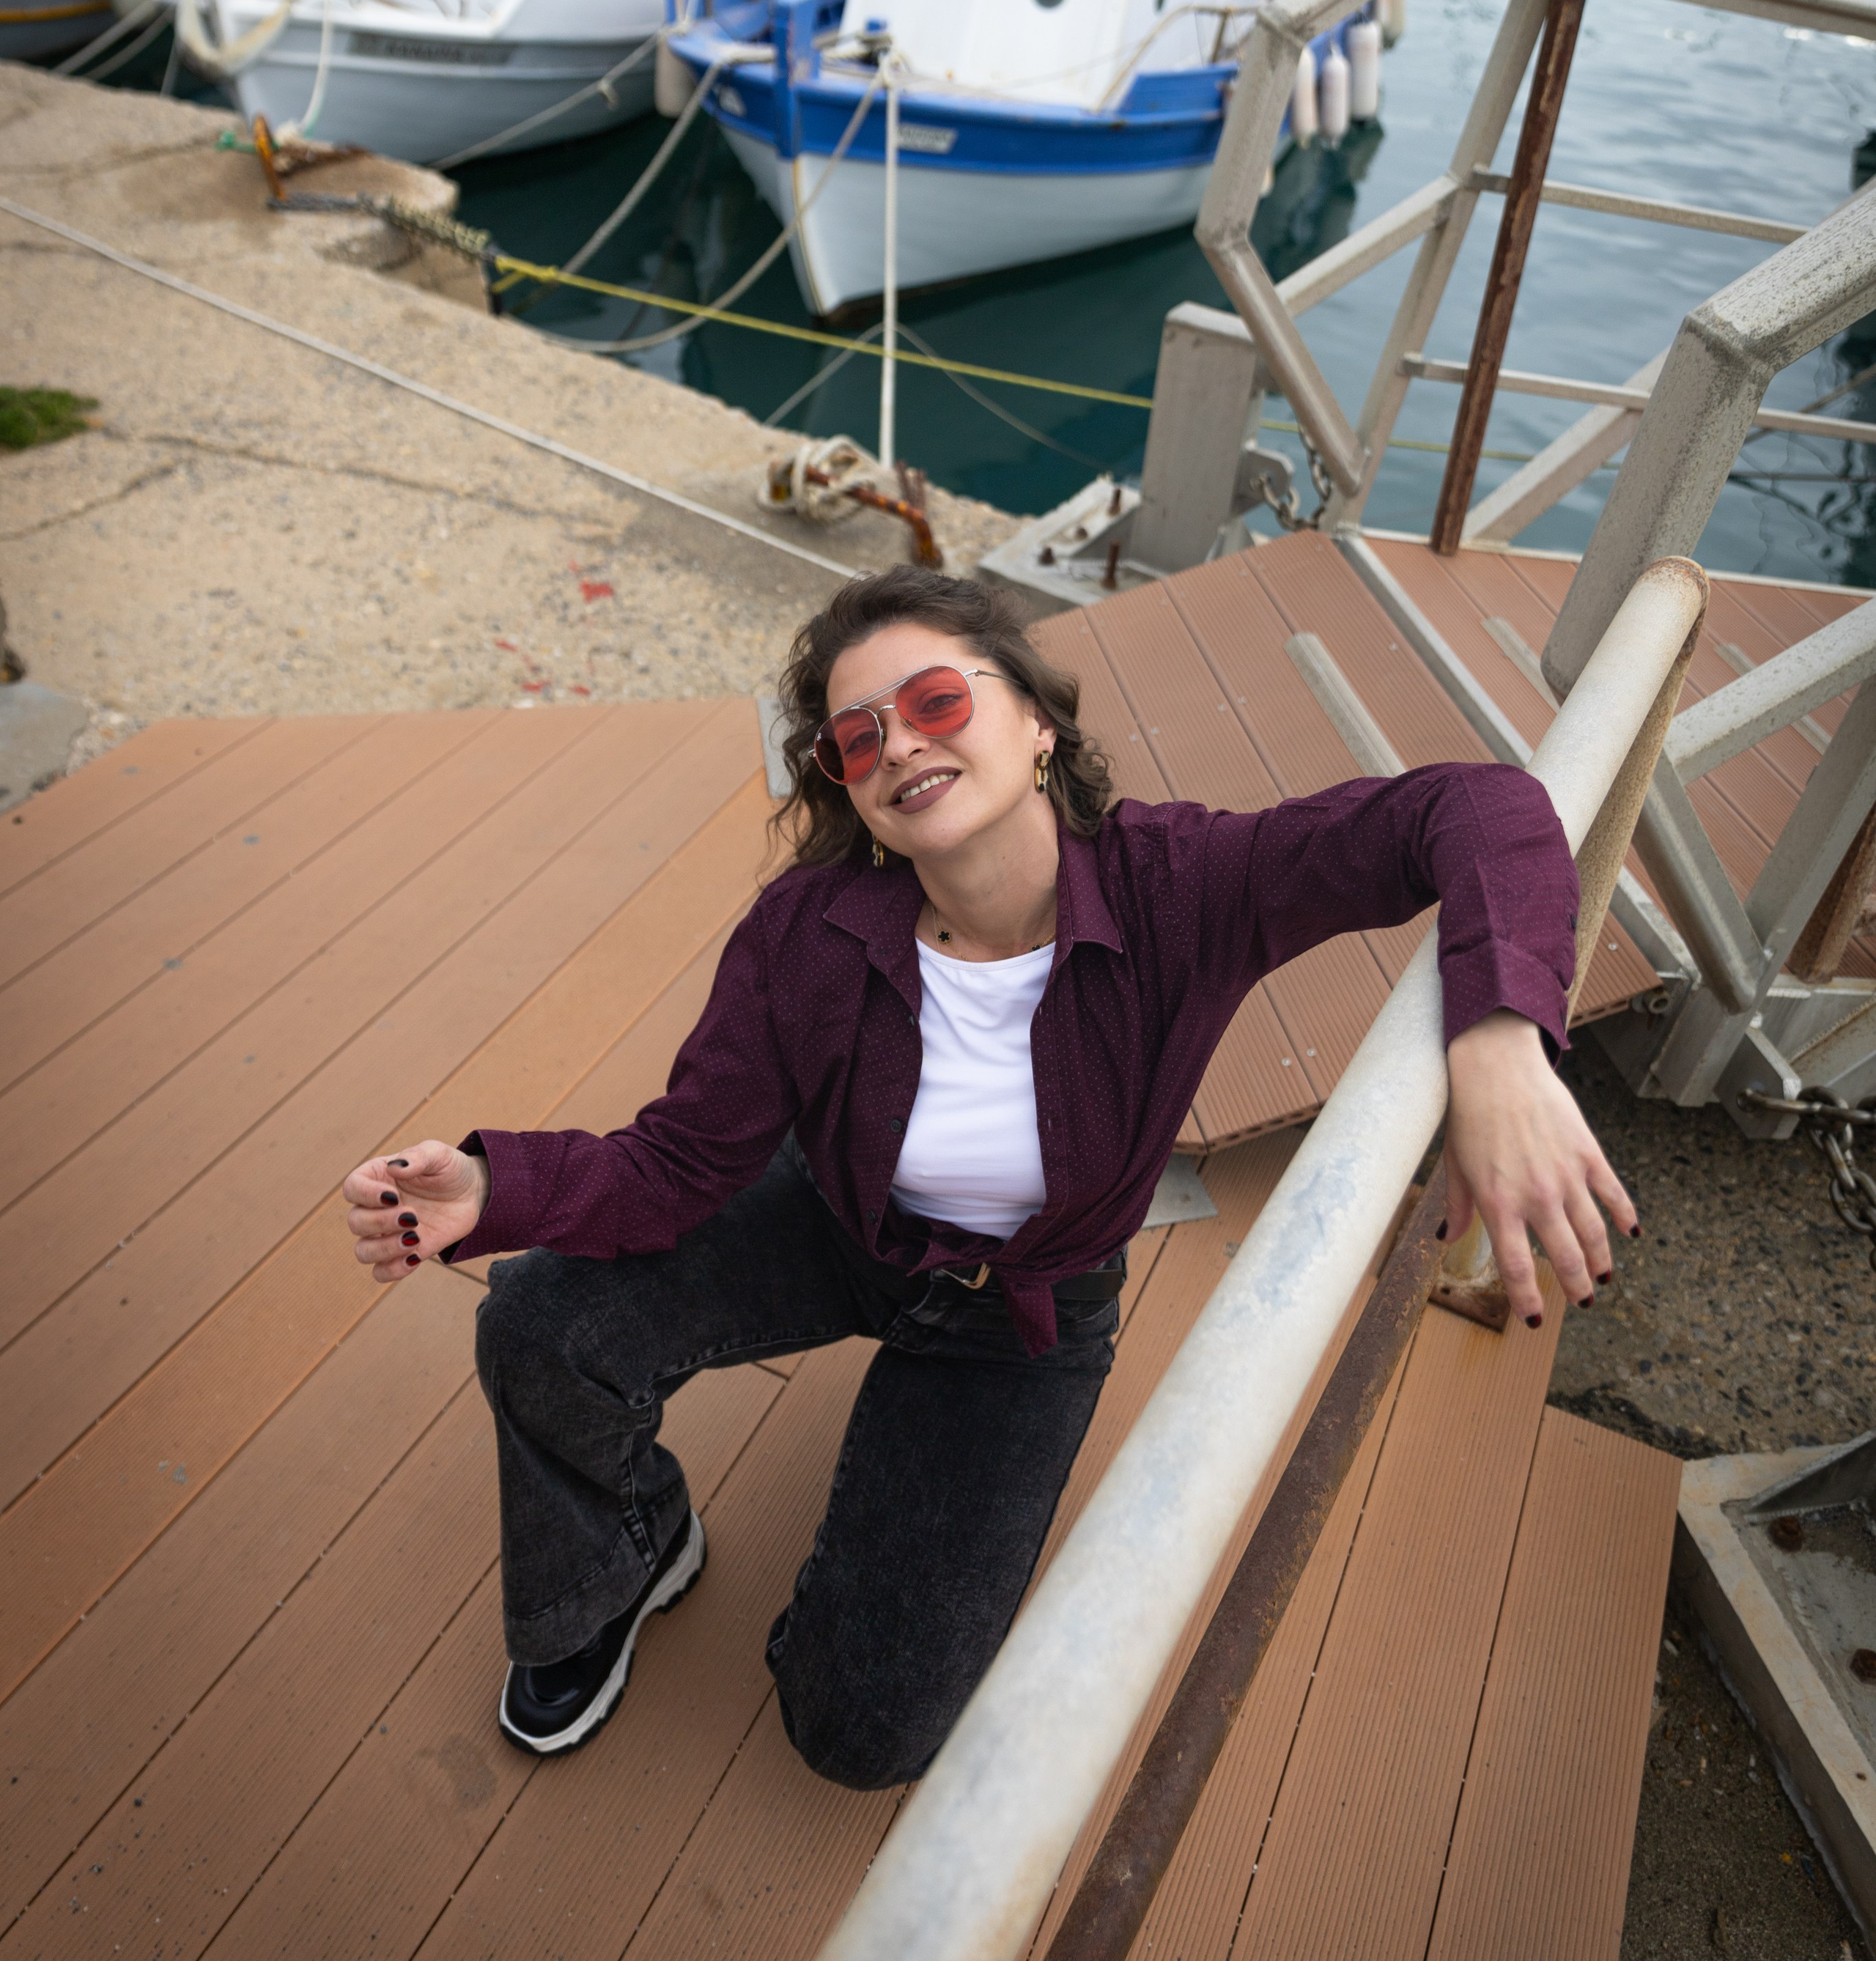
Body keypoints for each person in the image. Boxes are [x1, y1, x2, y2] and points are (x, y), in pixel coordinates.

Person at [339, 565, 1636, 1785]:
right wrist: (492, 1191)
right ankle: (630, 1550)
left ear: (1037, 731)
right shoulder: (805, 933)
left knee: (860, 1732)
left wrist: (1501, 1042)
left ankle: (872, 1577)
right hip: (843, 1219)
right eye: (856, 740)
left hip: (1024, 1312)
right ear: (848, 790)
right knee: (542, 1323)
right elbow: (679, 1163)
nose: (898, 744)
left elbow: (1476, 809)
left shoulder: (1181, 886)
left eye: (937, 702)